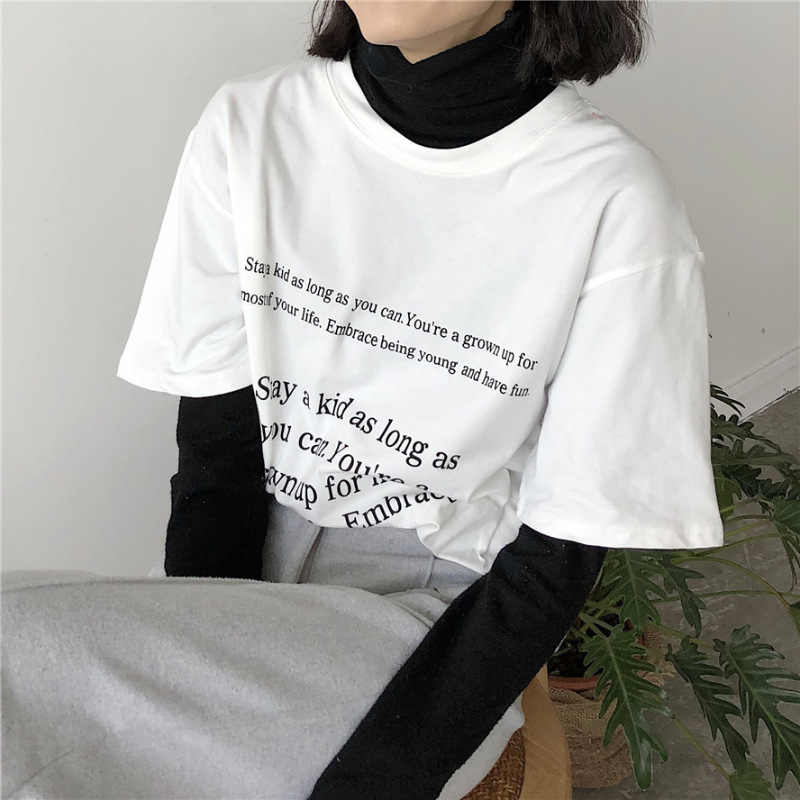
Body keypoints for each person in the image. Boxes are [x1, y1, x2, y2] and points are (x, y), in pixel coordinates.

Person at [2, 2, 724, 799]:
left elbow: (557, 559)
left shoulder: (614, 201)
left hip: (428, 623)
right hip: (240, 574)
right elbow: (217, 455)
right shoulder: (251, 125)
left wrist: (376, 779)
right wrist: (204, 642)